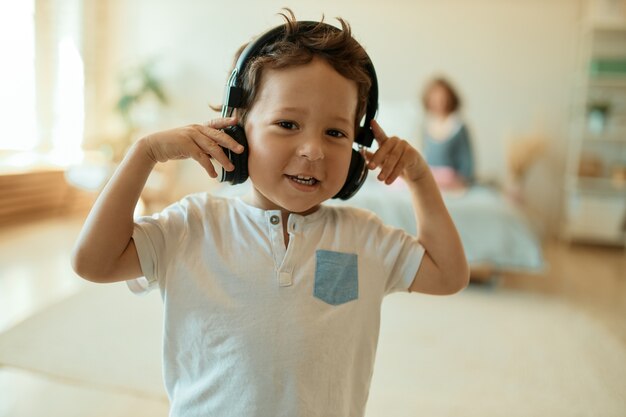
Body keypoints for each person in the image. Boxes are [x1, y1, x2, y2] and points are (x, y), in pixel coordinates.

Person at [71, 10, 468, 417]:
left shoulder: (365, 237)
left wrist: (420, 178)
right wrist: (145, 154)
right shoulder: (192, 226)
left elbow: (448, 274)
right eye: (287, 123)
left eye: (335, 133)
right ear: (236, 131)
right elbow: (93, 262)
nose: (313, 150)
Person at [421, 76, 475, 191]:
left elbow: (467, 164)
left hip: (452, 181)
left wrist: (461, 181)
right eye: (435, 97)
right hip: (431, 178)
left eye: (443, 97)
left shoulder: (458, 126)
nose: (440, 101)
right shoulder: (427, 127)